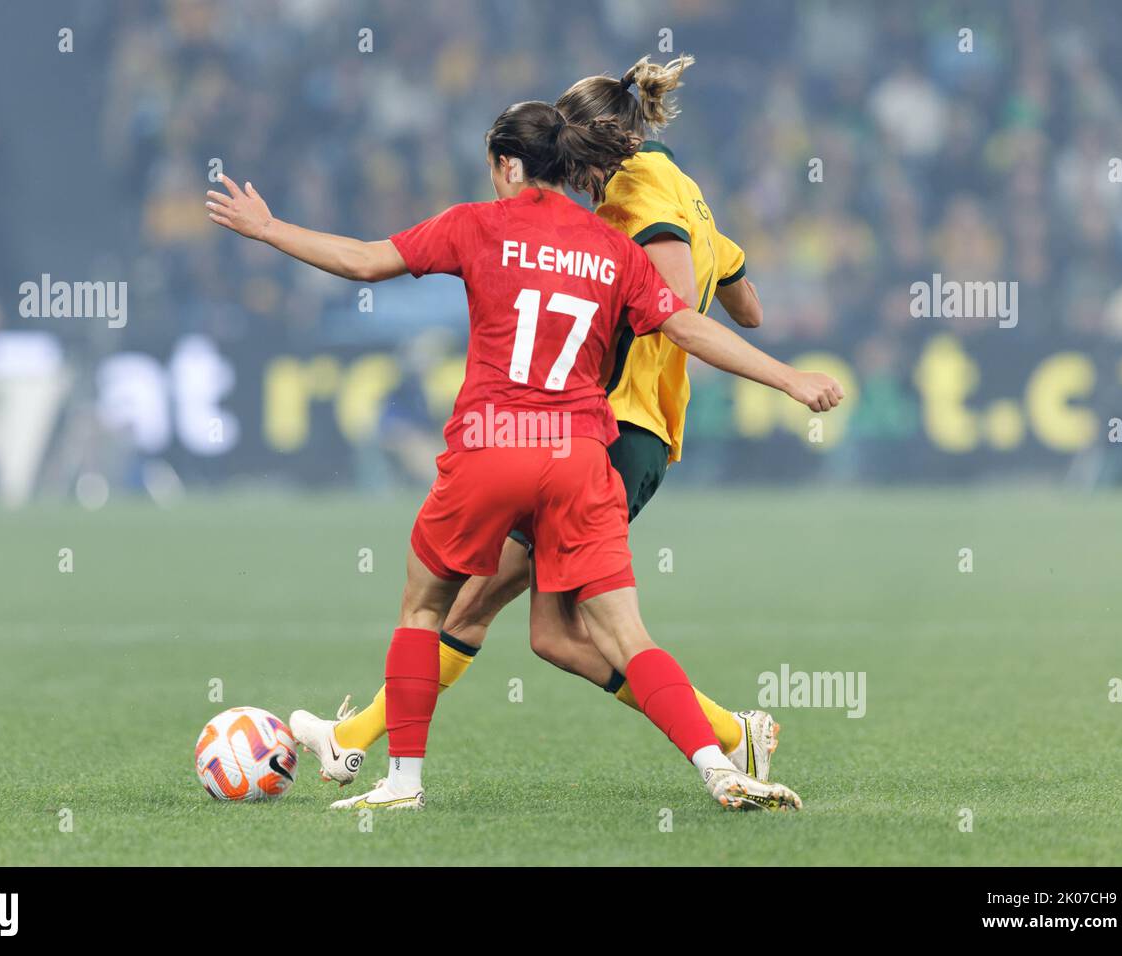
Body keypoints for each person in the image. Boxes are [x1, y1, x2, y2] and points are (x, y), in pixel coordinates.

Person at [207, 99, 843, 810]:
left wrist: (267, 230)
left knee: (428, 608)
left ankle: (399, 782)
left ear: (508, 164)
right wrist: (790, 377)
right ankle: (721, 766)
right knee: (621, 633)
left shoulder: (475, 224)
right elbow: (690, 327)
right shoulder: (612, 246)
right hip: (581, 455)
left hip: (494, 445)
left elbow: (363, 263)